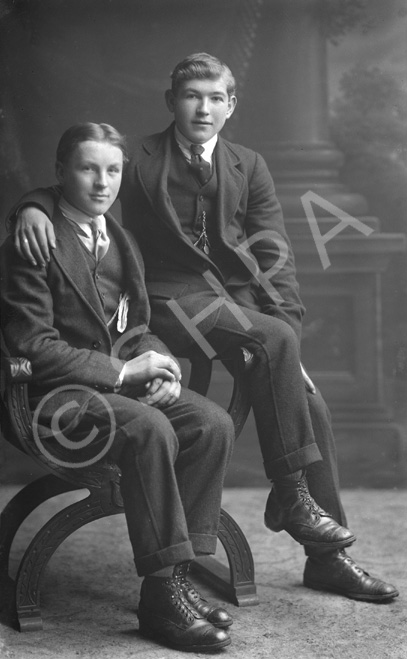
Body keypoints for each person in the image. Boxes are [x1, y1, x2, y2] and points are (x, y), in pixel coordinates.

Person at [9, 54, 399, 602]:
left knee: (309, 406)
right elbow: (77, 189)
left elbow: (275, 260)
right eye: (193, 96)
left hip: (232, 309)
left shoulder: (248, 164)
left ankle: (327, 556)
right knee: (270, 348)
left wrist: (286, 345)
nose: (204, 108)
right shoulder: (136, 158)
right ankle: (285, 497)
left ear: (231, 105)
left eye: (216, 98)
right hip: (170, 303)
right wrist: (28, 208)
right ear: (172, 101)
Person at [0, 122, 239, 653]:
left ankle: (175, 581)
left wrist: (161, 364)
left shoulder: (120, 239)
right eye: (87, 168)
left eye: (112, 170)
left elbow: (136, 326)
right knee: (149, 427)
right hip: (54, 399)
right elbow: (33, 346)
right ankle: (161, 602)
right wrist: (122, 374)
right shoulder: (32, 239)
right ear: (61, 173)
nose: (101, 182)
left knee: (210, 423)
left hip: (115, 392)